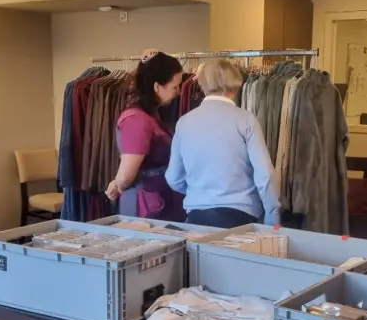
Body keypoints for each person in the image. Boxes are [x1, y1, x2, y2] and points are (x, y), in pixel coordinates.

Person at [165, 59, 281, 228]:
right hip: (241, 215)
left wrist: (199, 191)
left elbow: (173, 178)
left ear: (202, 84)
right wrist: (273, 215)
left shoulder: (184, 122)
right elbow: (265, 175)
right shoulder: (246, 120)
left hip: (197, 216)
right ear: (236, 85)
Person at [106, 49, 184, 221]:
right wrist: (118, 184)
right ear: (157, 87)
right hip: (146, 208)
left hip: (159, 203)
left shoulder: (151, 115)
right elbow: (126, 175)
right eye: (175, 86)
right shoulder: (136, 120)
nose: (179, 92)